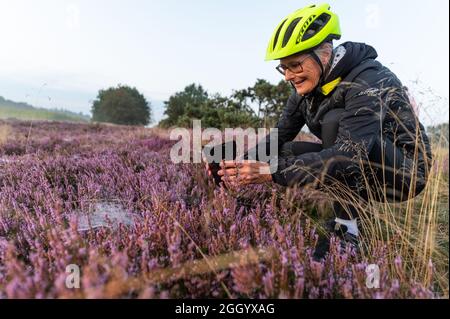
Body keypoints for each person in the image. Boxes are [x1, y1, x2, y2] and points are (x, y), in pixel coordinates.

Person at [205, 3, 432, 260]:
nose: (288, 76)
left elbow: (350, 155)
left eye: (295, 65)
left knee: (334, 122)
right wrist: (237, 165)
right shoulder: (305, 91)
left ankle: (350, 229)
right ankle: (352, 217)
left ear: (324, 54)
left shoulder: (369, 78)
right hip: (363, 161)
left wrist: (273, 172)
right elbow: (279, 136)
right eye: (284, 67)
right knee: (285, 149)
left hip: (405, 172)